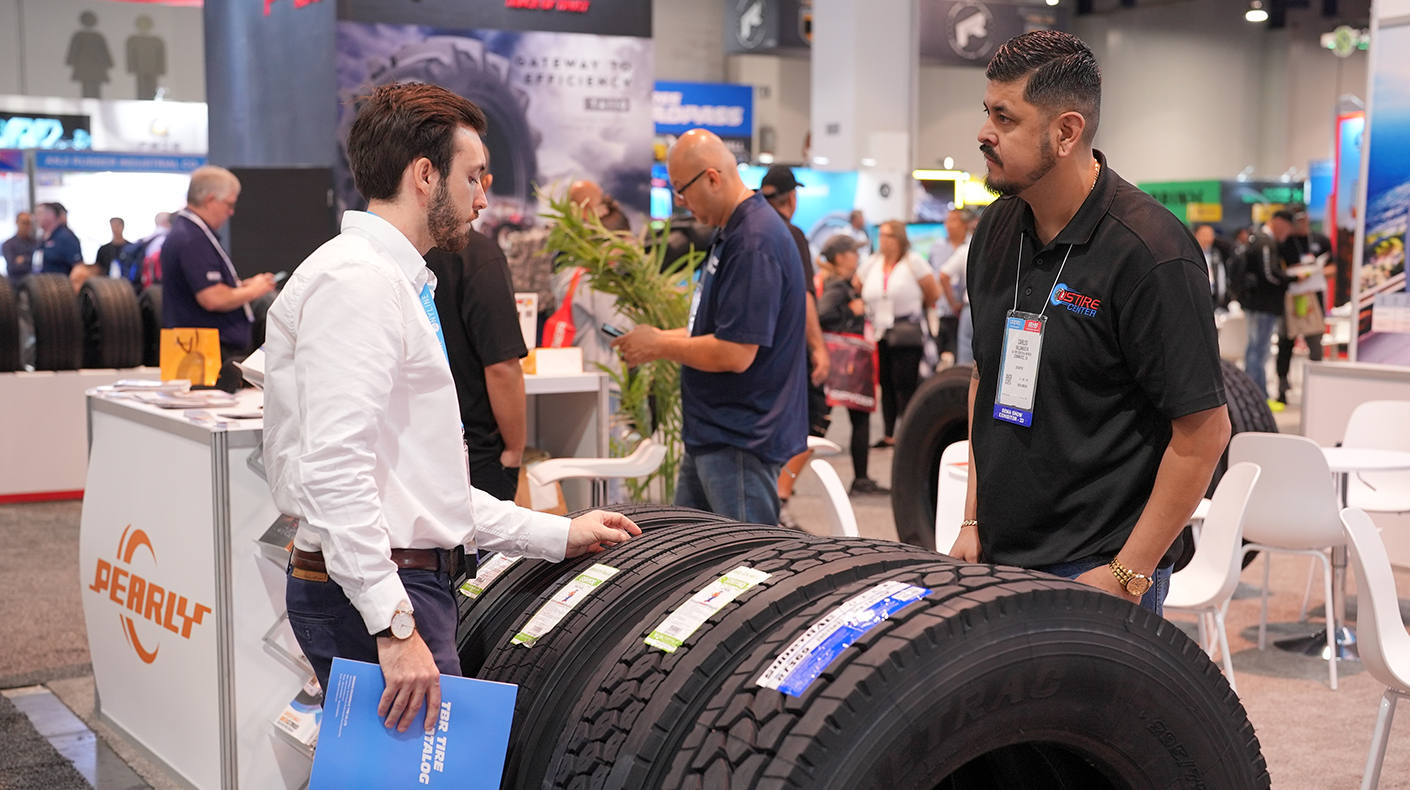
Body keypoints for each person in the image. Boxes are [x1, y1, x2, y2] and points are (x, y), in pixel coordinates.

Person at [263, 82, 640, 735]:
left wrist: (555, 533)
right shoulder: (360, 283)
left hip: (388, 587)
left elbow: (418, 488)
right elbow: (335, 471)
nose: (484, 198)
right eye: (473, 176)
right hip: (381, 597)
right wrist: (394, 623)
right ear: (424, 174)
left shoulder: (390, 281)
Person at [954, 31, 1230, 616]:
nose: (984, 132)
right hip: (996, 559)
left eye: (1005, 118)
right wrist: (972, 519)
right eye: (987, 112)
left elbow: (1204, 433)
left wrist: (1128, 575)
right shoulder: (996, 232)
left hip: (1095, 573)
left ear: (1066, 132)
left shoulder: (1151, 252)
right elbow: (987, 376)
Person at [612, 129, 807, 526]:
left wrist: (660, 347)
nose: (680, 202)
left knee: (745, 569)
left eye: (681, 191)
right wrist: (653, 340)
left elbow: (735, 352)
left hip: (739, 440)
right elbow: (714, 329)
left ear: (713, 179)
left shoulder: (754, 242)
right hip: (715, 434)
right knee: (692, 562)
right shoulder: (732, 232)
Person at [425, 142, 528, 502]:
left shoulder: (392, 254)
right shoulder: (479, 255)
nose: (480, 198)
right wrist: (514, 451)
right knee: (485, 558)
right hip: (474, 453)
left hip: (417, 450)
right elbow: (502, 365)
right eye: (470, 179)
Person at [759, 164, 831, 528]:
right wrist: (818, 347)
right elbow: (804, 297)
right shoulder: (791, 234)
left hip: (756, 352)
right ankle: (780, 500)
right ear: (792, 198)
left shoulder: (750, 231)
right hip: (791, 350)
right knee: (816, 418)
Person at [160, 166, 276, 363]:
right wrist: (256, 290)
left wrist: (240, 287)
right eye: (228, 204)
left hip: (201, 350)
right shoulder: (191, 239)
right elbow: (212, 298)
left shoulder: (189, 233)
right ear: (210, 200)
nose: (230, 212)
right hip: (204, 355)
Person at [856, 219, 941, 447]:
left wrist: (917, 307)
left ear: (899, 238)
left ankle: (908, 432)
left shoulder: (913, 261)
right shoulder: (873, 263)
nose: (883, 240)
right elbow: (856, 284)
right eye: (881, 235)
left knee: (907, 384)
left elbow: (933, 291)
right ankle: (889, 434)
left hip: (907, 331)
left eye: (888, 235)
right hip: (880, 331)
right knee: (887, 384)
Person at [816, 234, 885, 495]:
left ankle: (861, 478)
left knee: (829, 419)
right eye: (853, 252)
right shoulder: (837, 286)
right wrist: (851, 312)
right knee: (827, 420)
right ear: (841, 257)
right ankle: (860, 479)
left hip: (841, 365)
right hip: (842, 365)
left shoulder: (837, 282)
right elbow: (824, 315)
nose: (857, 256)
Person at [1274, 207, 1331, 402]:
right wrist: (1294, 273)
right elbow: (1278, 271)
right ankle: (1282, 388)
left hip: (1313, 298)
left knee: (1315, 343)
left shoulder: (1320, 240)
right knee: (1285, 342)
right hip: (1290, 298)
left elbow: (1333, 266)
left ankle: (1317, 388)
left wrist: (1315, 272)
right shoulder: (1284, 243)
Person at [1238, 210, 1294, 402]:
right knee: (1258, 351)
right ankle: (1257, 396)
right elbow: (1269, 274)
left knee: (1256, 350)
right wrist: (1291, 278)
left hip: (1259, 304)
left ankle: (1252, 394)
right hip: (1263, 305)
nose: (1287, 233)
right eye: (1288, 228)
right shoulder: (1264, 243)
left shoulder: (1258, 240)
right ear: (1279, 222)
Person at [930, 208, 973, 358]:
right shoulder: (937, 248)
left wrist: (956, 303)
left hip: (964, 310)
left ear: (965, 224)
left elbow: (944, 275)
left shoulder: (973, 245)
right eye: (947, 221)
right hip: (942, 311)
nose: (949, 225)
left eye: (953, 220)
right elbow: (936, 277)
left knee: (962, 354)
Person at [34, 203, 83, 277]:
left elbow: (78, 266)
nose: (35, 218)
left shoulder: (66, 237)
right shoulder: (41, 239)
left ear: (51, 215)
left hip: (60, 285)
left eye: (40, 213)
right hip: (41, 284)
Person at [1193, 224, 1233, 312]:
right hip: (1196, 297)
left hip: (1213, 297)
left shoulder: (1216, 254)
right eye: (1205, 235)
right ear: (1196, 235)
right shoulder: (1191, 254)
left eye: (1211, 235)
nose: (1209, 238)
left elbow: (1221, 275)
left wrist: (1221, 295)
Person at [2, 212, 36, 283]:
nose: (27, 226)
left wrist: (24, 259)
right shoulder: (8, 244)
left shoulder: (35, 243)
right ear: (17, 222)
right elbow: (12, 267)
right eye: (24, 223)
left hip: (34, 282)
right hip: (15, 283)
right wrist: (29, 260)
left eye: (29, 223)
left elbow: (37, 264)